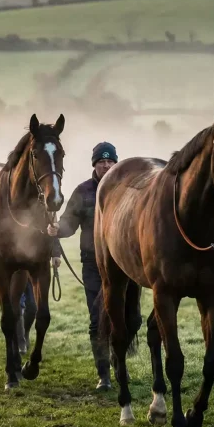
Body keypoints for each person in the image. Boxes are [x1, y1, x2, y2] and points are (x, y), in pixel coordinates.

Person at [47, 142, 140, 390]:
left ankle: (117, 358)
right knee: (99, 320)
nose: (106, 165)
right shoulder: (83, 192)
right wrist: (57, 230)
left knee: (134, 319)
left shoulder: (127, 189)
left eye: (110, 162)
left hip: (124, 264)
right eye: (101, 162)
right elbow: (68, 224)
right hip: (94, 264)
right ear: (94, 164)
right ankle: (105, 376)